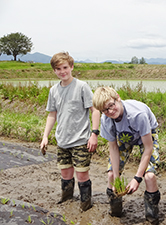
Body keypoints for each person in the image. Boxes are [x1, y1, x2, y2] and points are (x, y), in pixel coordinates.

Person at [40, 52, 100, 211]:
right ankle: (66, 200)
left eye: (65, 67)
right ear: (54, 71)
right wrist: (45, 136)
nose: (62, 71)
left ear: (71, 67)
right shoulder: (53, 90)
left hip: (81, 140)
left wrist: (94, 134)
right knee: (65, 173)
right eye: (58, 68)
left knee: (81, 174)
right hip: (62, 140)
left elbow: (94, 110)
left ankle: (85, 204)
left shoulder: (82, 86)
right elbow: (52, 114)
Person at [92, 86, 160, 224]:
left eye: (112, 105)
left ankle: (152, 217)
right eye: (105, 110)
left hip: (145, 136)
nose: (110, 111)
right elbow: (113, 147)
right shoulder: (106, 120)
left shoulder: (138, 115)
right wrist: (117, 179)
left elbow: (148, 148)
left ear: (118, 98)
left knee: (149, 176)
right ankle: (115, 212)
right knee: (111, 175)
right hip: (125, 137)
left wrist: (137, 178)